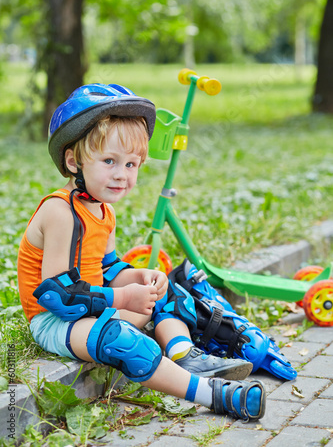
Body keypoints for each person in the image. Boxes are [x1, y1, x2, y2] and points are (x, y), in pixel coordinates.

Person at [17, 83, 266, 421]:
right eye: (110, 161)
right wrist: (122, 299)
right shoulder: (60, 213)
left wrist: (138, 278)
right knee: (120, 341)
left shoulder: (104, 211)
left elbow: (108, 267)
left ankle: (183, 355)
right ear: (74, 161)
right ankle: (211, 393)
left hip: (88, 310)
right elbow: (56, 295)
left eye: (132, 164)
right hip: (56, 322)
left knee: (166, 290)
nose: (122, 175)